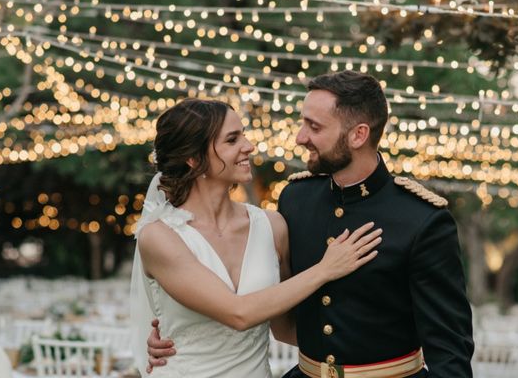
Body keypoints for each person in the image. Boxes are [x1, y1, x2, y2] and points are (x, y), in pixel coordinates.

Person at [147, 72, 474, 377]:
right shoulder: (296, 200)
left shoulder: (421, 219)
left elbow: (449, 350)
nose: (301, 137)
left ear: (359, 135)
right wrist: (184, 329)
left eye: (314, 127)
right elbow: (285, 315)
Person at [130, 98, 383, 378]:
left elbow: (286, 328)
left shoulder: (272, 226)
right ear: (194, 159)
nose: (249, 146)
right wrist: (326, 269)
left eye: (244, 135)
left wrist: (381, 350)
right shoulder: (159, 236)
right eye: (232, 139)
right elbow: (239, 314)